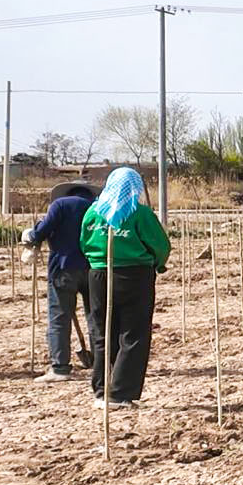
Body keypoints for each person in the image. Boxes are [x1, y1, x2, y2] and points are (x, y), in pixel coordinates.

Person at [79, 167, 170, 407]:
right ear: (135, 188)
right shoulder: (139, 214)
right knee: (133, 334)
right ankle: (119, 393)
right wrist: (158, 265)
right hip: (134, 276)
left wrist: (96, 261)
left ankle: (101, 390)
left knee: (103, 332)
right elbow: (160, 245)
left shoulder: (93, 212)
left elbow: (84, 243)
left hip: (98, 275)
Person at [23, 182, 95, 382]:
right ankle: (102, 363)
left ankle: (60, 368)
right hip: (94, 268)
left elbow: (42, 232)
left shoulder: (61, 204)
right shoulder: (97, 206)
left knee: (59, 319)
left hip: (63, 269)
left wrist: (33, 232)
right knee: (95, 317)